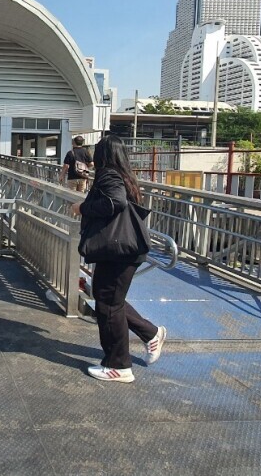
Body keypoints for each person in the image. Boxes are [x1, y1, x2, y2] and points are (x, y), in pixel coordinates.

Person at [71, 135, 165, 383]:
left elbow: (115, 201)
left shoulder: (109, 175)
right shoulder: (124, 174)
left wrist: (83, 208)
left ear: (103, 155)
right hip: (124, 249)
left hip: (118, 250)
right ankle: (151, 334)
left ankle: (119, 366)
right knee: (110, 299)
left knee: (108, 304)